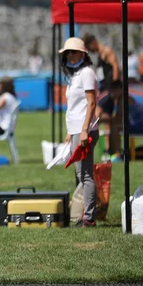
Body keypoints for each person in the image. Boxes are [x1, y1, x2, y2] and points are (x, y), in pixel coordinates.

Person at [60, 37, 98, 227]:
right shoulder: (74, 75)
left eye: (73, 52)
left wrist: (84, 130)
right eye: (68, 53)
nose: (70, 56)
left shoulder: (87, 73)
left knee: (85, 174)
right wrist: (71, 131)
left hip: (85, 130)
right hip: (76, 130)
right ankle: (80, 214)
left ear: (83, 54)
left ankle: (89, 218)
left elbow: (91, 103)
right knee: (80, 174)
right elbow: (75, 107)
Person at [96, 80, 143, 162]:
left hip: (142, 125)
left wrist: (104, 119)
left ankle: (118, 155)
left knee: (115, 127)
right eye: (111, 89)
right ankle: (112, 152)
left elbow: (118, 119)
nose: (112, 92)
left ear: (121, 89)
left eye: (114, 90)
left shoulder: (124, 99)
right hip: (138, 124)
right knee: (113, 126)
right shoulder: (121, 99)